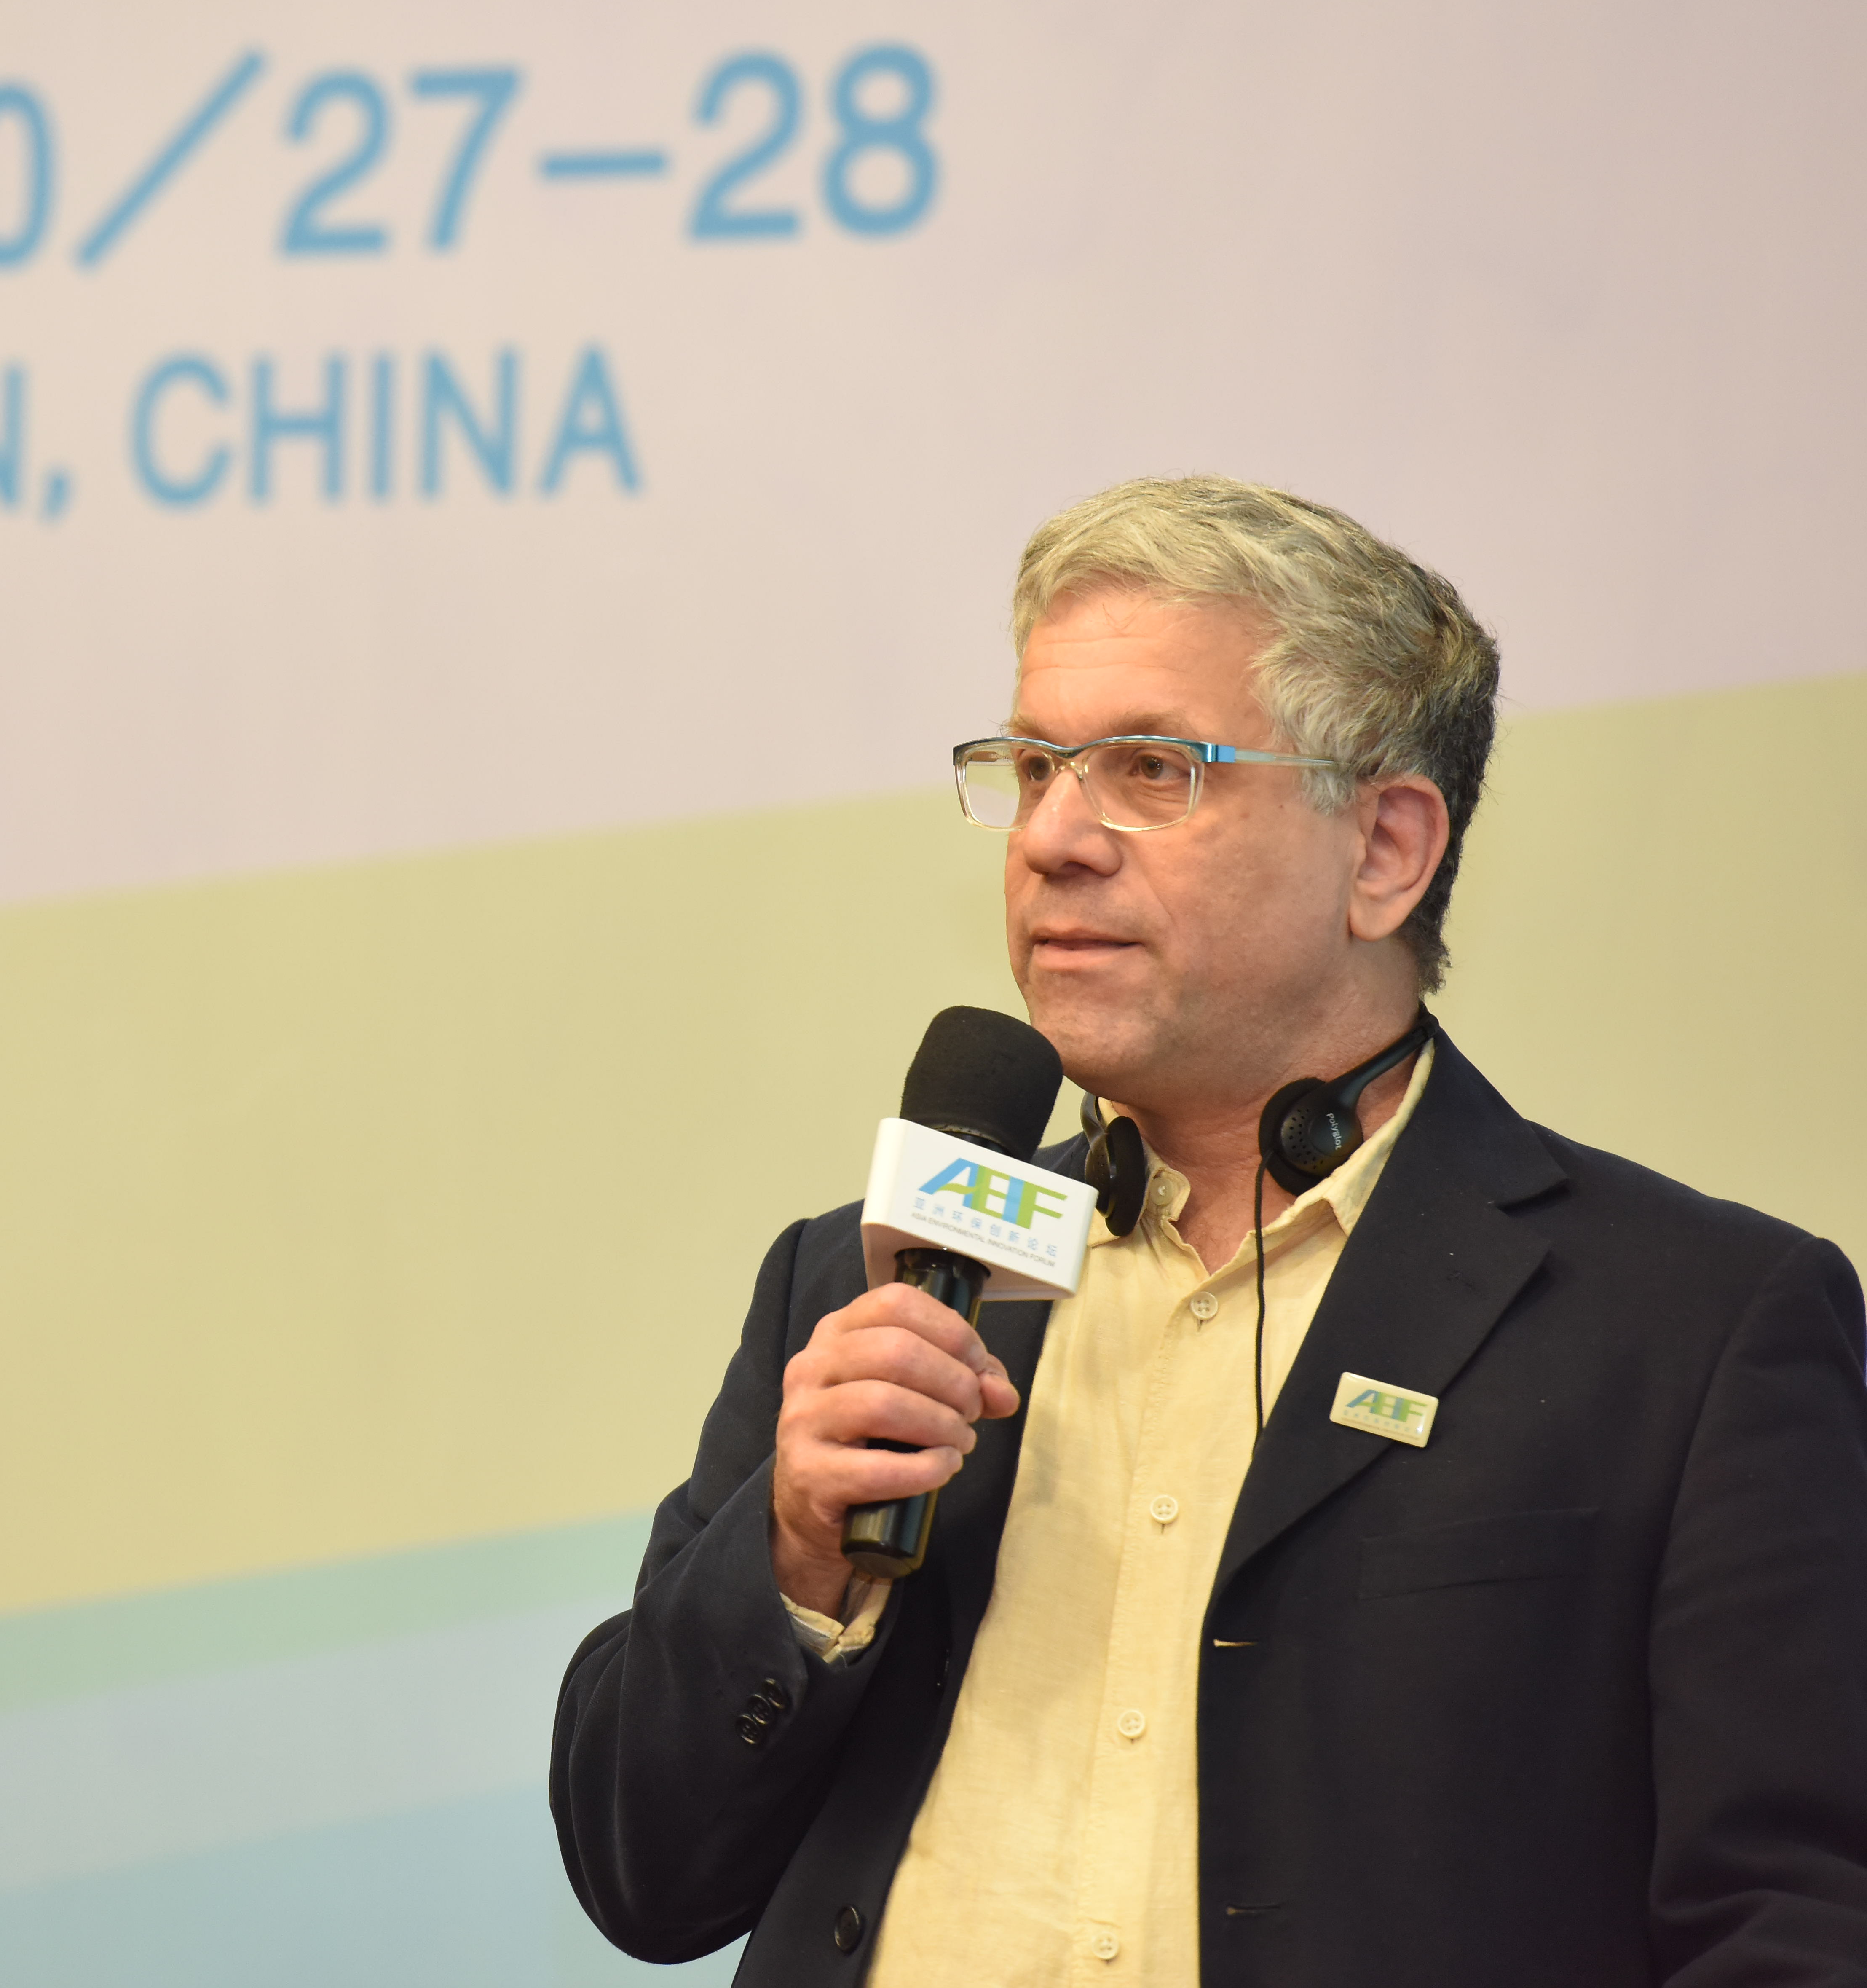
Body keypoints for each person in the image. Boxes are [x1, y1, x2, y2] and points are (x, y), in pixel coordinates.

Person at [550, 477, 1867, 1987]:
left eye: (1153, 770)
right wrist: (792, 1560)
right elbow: (643, 1878)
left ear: (1386, 849)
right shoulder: (868, 1280)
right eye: (1033, 766)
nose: (1053, 838)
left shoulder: (1692, 1330)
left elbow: (1793, 1918)